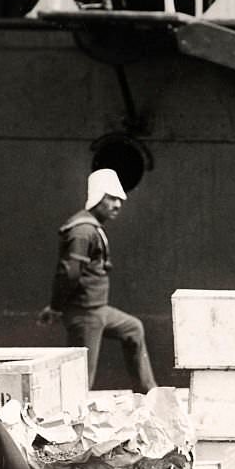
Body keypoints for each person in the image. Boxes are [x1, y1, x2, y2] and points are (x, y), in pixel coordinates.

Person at [38, 168, 157, 393]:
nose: (117, 205)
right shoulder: (82, 231)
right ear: (97, 198)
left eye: (119, 199)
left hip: (97, 310)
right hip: (85, 315)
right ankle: (72, 423)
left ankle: (147, 392)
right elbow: (70, 273)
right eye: (111, 198)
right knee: (82, 379)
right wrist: (56, 307)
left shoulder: (92, 228)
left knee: (133, 329)